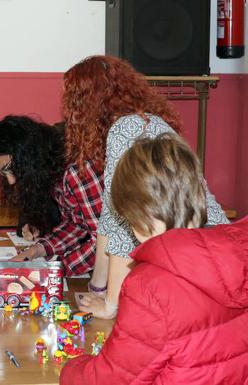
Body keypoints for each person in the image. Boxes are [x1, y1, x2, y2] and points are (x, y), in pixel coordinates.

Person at [60, 134, 248, 385]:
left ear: (137, 215)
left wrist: (69, 368)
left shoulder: (149, 287)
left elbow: (110, 380)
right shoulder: (235, 252)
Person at [62, 55, 229, 319]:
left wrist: (110, 305)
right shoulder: (144, 122)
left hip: (197, 252)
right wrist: (97, 286)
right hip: (209, 246)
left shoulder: (123, 130)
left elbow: (121, 225)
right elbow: (109, 219)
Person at [0, 116, 103, 276]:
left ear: (28, 158)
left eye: (11, 169)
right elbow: (76, 225)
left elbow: (104, 241)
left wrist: (53, 271)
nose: (11, 181)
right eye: (3, 173)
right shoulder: (51, 171)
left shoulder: (77, 171)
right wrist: (36, 250)